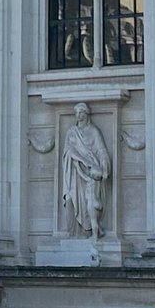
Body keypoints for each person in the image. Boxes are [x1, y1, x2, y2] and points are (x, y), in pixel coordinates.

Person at [60, 102, 111, 238]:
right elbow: (67, 151)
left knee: (90, 203)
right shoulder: (71, 132)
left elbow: (101, 150)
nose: (78, 115)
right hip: (74, 171)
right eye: (76, 113)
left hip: (91, 173)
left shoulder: (93, 131)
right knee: (71, 199)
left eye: (81, 112)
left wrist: (104, 165)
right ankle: (75, 232)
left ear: (86, 114)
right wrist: (82, 160)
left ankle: (90, 231)